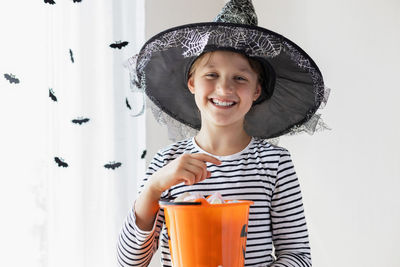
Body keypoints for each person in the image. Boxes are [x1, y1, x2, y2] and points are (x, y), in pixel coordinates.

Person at [117, 0, 329, 266]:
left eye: (240, 78)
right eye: (212, 75)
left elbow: (298, 255)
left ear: (256, 91)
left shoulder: (275, 164)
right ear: (192, 83)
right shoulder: (166, 163)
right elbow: (129, 262)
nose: (224, 89)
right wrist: (154, 187)